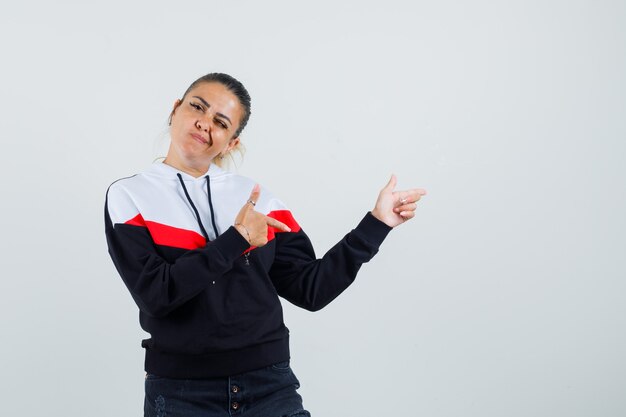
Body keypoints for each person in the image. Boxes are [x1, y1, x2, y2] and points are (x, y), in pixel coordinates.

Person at [105, 72, 426, 417]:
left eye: (221, 122)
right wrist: (237, 239)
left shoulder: (259, 199)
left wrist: (376, 225)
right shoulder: (129, 196)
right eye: (197, 106)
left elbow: (311, 289)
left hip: (269, 386)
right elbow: (157, 295)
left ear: (231, 144)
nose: (204, 123)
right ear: (175, 110)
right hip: (182, 392)